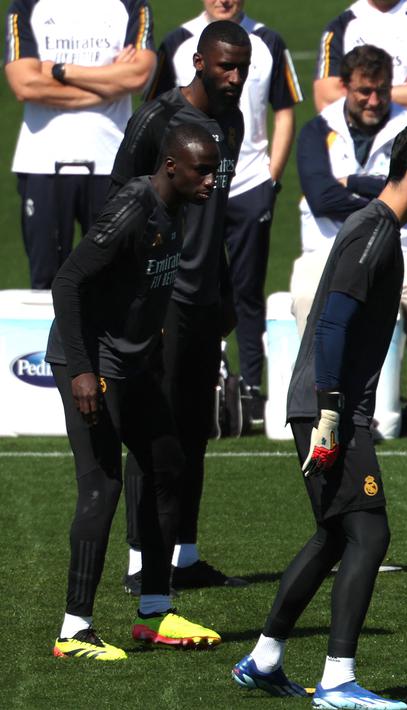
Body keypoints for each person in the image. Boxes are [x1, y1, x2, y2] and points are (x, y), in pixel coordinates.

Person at [232, 121, 407, 709]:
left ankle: (264, 658)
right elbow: (334, 323)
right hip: (329, 408)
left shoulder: (373, 227)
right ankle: (337, 681)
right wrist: (334, 413)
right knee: (370, 532)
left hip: (323, 404)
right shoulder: (376, 234)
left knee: (336, 534)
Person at [46, 123, 223, 661]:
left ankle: (153, 610)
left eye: (215, 169)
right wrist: (81, 370)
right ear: (171, 166)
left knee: (164, 465)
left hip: (132, 362)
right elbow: (68, 282)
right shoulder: (130, 210)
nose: (212, 180)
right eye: (203, 170)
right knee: (101, 486)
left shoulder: (178, 206)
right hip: (92, 363)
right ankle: (73, 630)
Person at [111, 19, 251, 594]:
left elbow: (213, 219)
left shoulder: (234, 121)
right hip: (160, 301)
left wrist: (222, 295)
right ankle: (141, 561)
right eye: (225, 65)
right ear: (198, 61)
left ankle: (184, 555)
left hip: (204, 301)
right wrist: (141, 296)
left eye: (242, 67)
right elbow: (120, 196)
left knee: (195, 427)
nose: (235, 77)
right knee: (153, 434)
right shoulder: (158, 117)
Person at [291, 45, 407, 441]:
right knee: (307, 299)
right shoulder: (315, 130)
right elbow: (321, 198)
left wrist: (352, 183)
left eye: (382, 90)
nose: (374, 100)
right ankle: (329, 403)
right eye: (364, 91)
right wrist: (385, 190)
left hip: (399, 252)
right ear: (345, 87)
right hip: (326, 253)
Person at [145, 0, 303, 414]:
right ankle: (178, 379)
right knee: (183, 284)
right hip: (190, 188)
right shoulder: (177, 41)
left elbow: (285, 109)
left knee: (246, 289)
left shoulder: (268, 40)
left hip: (249, 181)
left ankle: (250, 387)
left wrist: (271, 177)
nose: (223, 0)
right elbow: (155, 110)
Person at [4, 0, 155, 288]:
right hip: (42, 163)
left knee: (111, 284)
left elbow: (139, 75)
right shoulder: (25, 5)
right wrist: (108, 86)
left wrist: (60, 71)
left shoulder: (131, 4)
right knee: (45, 284)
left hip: (112, 163)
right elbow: (24, 84)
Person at [313, 0, 407, 114]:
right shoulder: (339, 27)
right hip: (353, 143)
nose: (373, 100)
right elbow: (326, 101)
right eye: (365, 91)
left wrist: (358, 93)